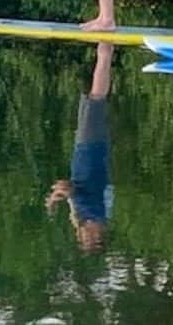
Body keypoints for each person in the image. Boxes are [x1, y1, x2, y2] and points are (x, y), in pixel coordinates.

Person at [45, 42, 115, 253]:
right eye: (87, 239)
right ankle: (105, 51)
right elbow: (68, 187)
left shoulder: (98, 213)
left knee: (94, 99)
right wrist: (55, 197)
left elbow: (73, 192)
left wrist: (60, 198)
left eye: (82, 239)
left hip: (88, 150)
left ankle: (105, 52)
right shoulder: (94, 212)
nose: (83, 236)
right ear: (96, 236)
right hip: (91, 149)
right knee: (96, 99)